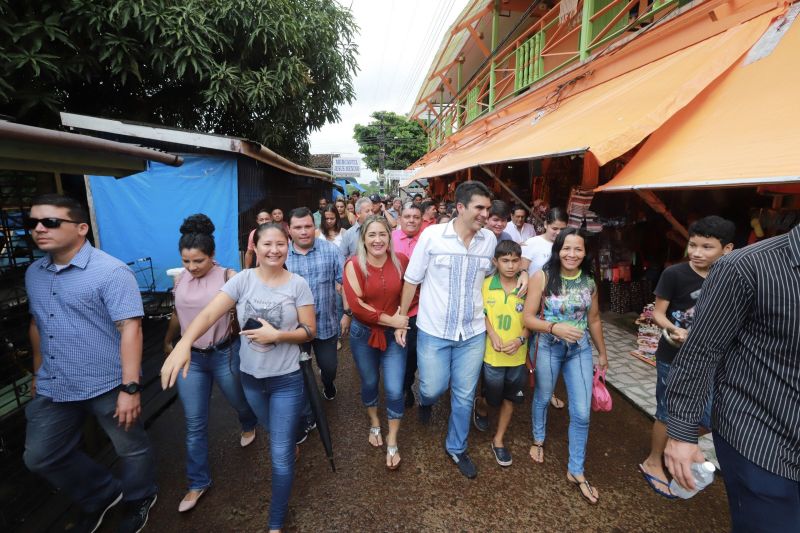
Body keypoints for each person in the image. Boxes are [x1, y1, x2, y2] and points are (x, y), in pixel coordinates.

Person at [162, 222, 314, 533]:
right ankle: (287, 440)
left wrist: (279, 335)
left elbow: (308, 331)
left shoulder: (298, 284)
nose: (274, 250)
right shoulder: (242, 281)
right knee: (270, 429)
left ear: (288, 246)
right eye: (266, 244)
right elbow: (207, 314)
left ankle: (275, 522)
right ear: (254, 248)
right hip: (251, 380)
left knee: (279, 455)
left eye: (280, 244)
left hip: (286, 380)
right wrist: (183, 344)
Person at [23, 194, 158, 533]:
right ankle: (101, 493)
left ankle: (140, 496)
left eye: (50, 222)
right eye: (34, 222)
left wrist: (130, 387)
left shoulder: (110, 271)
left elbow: (131, 328)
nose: (39, 229)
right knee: (39, 456)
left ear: (81, 228)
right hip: (55, 383)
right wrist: (39, 370)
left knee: (130, 448)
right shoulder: (34, 273)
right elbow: (37, 323)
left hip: (107, 382)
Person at [664, 225, 800, 531]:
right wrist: (682, 433)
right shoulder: (746, 266)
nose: (697, 253)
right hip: (762, 439)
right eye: (694, 245)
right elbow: (701, 351)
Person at [398, 181, 500, 479]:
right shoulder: (431, 237)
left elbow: (493, 275)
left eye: (488, 209)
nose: (485, 214)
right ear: (460, 208)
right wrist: (403, 319)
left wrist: (518, 278)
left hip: (471, 332)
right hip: (433, 330)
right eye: (479, 208)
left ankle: (456, 447)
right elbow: (412, 280)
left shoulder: (489, 242)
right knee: (432, 387)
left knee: (464, 395)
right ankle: (426, 400)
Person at [162, 214, 258, 512]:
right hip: (192, 358)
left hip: (224, 352)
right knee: (193, 422)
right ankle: (197, 482)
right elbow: (178, 313)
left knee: (239, 400)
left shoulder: (229, 277)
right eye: (187, 261)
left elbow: (245, 312)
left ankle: (248, 421)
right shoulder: (180, 279)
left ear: (212, 256)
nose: (192, 267)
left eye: (198, 261)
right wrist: (170, 340)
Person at [638, 216, 735, 498]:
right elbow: (657, 313)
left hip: (711, 359)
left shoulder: (729, 277)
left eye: (707, 247)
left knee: (710, 414)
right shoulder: (675, 274)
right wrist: (675, 329)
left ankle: (678, 446)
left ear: (726, 249)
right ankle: (653, 461)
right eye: (693, 245)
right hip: (673, 356)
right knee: (668, 411)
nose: (697, 252)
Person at [523, 227, 608, 504]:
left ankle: (576, 470)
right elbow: (528, 319)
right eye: (566, 248)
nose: (572, 254)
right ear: (558, 250)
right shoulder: (543, 277)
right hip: (548, 346)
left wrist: (602, 353)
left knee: (582, 413)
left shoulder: (590, 281)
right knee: (544, 396)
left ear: (585, 252)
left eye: (578, 249)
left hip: (580, 350)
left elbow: (594, 319)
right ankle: (538, 439)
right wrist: (554, 328)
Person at [343, 216, 411, 469]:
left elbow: (410, 292)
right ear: (363, 239)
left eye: (382, 234)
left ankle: (392, 438)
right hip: (363, 334)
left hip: (395, 337)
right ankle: (374, 421)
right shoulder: (353, 264)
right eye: (371, 235)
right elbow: (357, 306)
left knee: (394, 388)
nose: (377, 240)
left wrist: (401, 320)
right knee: (370, 382)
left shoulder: (401, 261)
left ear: (389, 236)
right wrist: (393, 321)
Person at [285, 207, 347, 443]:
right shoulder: (282, 256)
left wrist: (347, 313)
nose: (303, 232)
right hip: (294, 330)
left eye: (307, 226)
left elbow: (344, 282)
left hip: (326, 325)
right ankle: (308, 417)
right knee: (300, 374)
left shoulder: (331, 251)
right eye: (298, 227)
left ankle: (328, 383)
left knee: (328, 367)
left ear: (315, 227)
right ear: (289, 230)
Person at [481, 240, 529, 467]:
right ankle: (480, 405)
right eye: (505, 261)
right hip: (492, 355)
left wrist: (521, 339)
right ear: (495, 262)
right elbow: (480, 313)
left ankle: (498, 440)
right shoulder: (486, 285)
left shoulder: (527, 288)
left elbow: (533, 318)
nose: (510, 266)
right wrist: (491, 333)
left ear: (521, 262)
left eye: (514, 260)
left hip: (517, 357)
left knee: (510, 398)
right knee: (492, 396)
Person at [521, 207, 569, 411]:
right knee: (526, 345)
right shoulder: (533, 243)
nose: (558, 233)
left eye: (562, 229)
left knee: (549, 351)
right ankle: (521, 383)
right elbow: (522, 270)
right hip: (531, 303)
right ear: (546, 225)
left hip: (557, 308)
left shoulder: (568, 244)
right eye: (555, 228)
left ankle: (547, 390)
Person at [391, 202, 423, 408]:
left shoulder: (428, 240)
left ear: (422, 220)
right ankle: (394, 387)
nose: (411, 220)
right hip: (392, 307)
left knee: (412, 351)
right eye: (407, 216)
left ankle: (406, 386)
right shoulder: (389, 239)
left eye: (416, 217)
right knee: (392, 351)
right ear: (400, 218)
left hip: (418, 307)